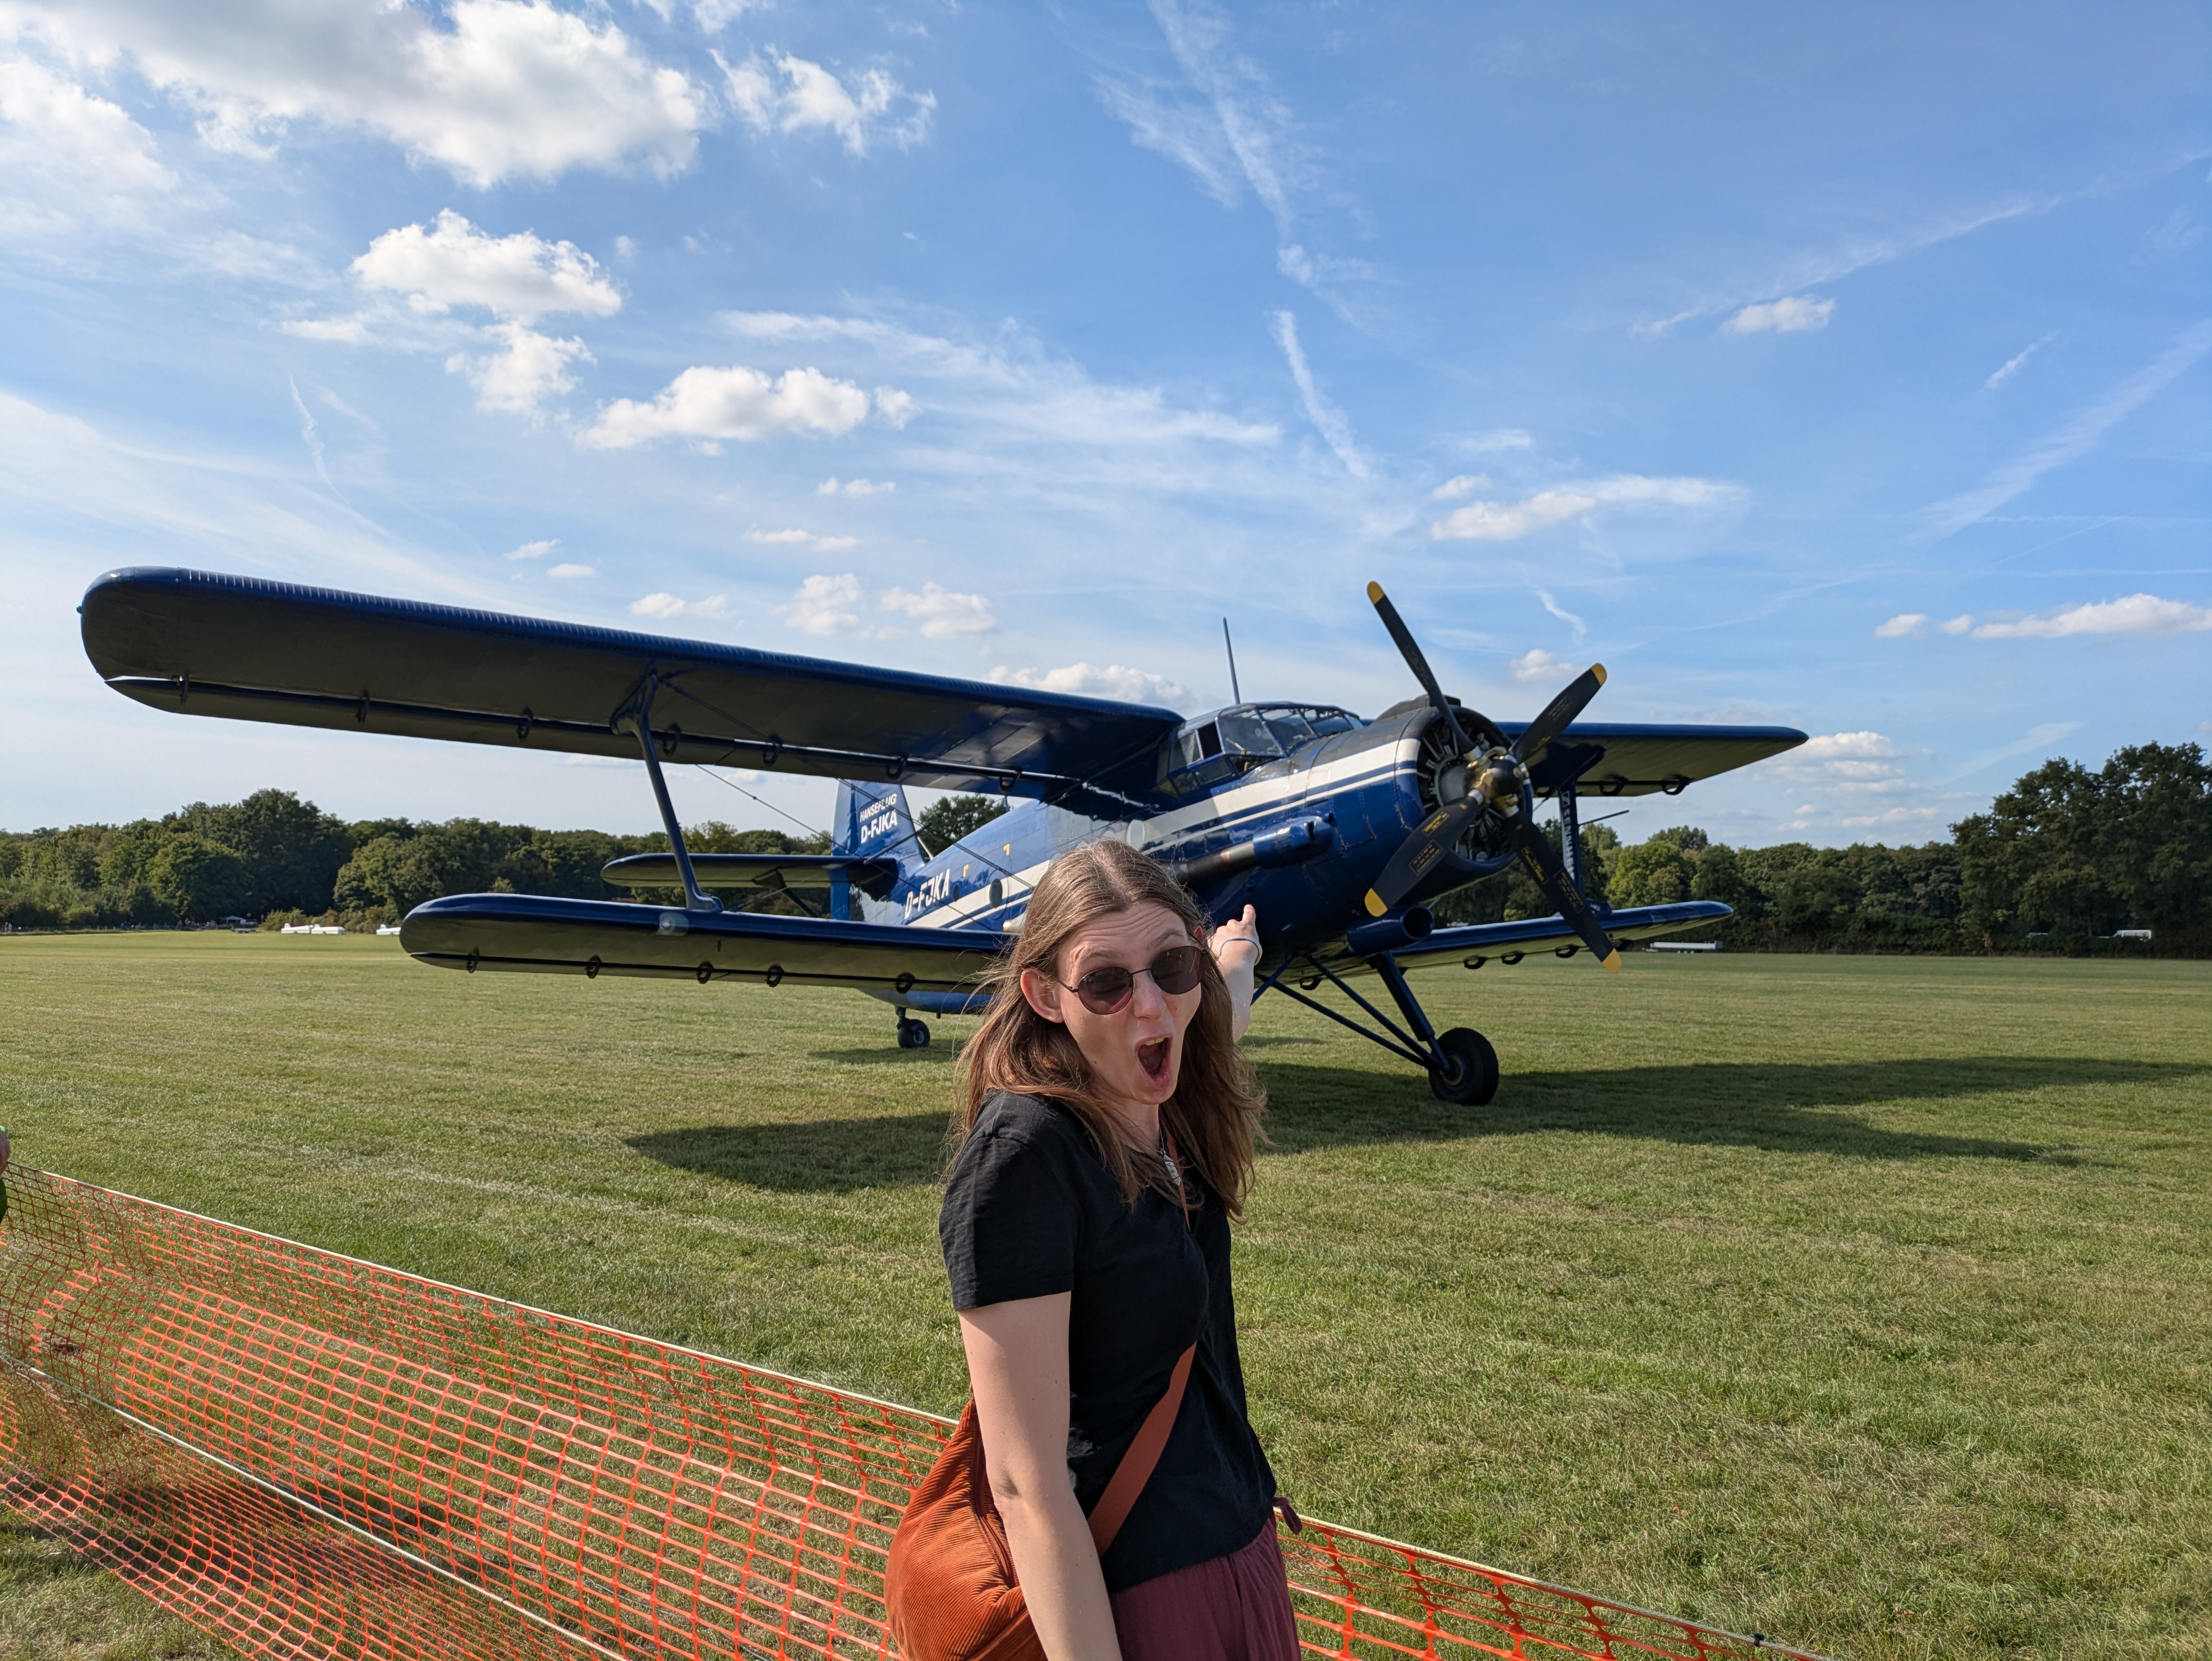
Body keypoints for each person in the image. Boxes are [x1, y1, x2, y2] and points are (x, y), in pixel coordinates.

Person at [940, 839, 1296, 1661]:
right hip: (1140, 1597)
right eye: (1104, 982)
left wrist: (1235, 959)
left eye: (1172, 966)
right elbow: (1026, 1487)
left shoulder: (1166, 1087)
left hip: (1243, 1543)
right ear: (1045, 995)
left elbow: (1218, 1013)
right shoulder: (1026, 1157)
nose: (1151, 1009)